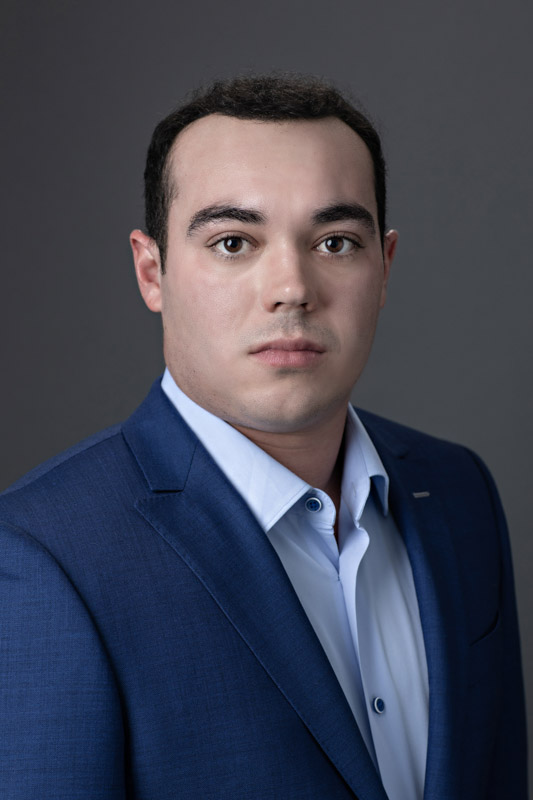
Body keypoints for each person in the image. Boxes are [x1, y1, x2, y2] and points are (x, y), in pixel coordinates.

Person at [0, 75, 527, 799]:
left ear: (384, 268)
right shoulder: (43, 556)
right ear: (151, 271)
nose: (291, 286)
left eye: (335, 241)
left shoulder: (458, 492)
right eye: (232, 242)